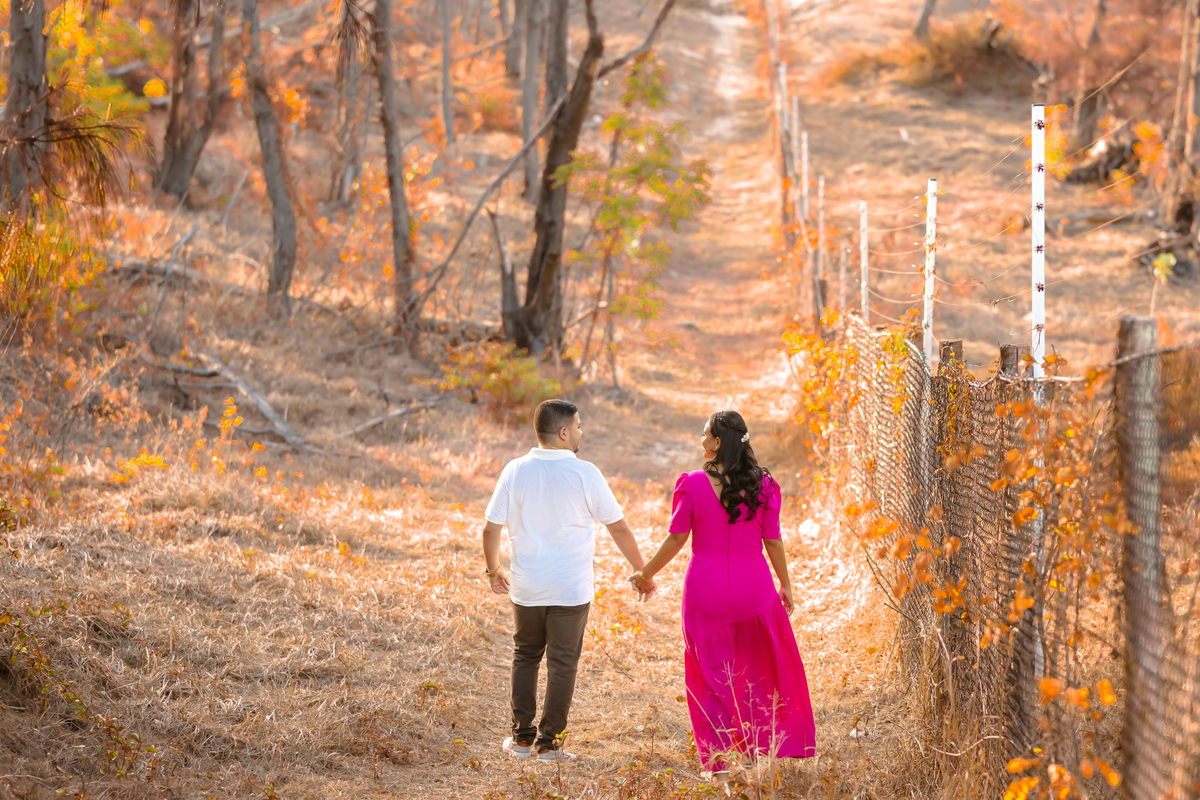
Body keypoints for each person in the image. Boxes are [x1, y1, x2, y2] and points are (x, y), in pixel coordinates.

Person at [630, 410, 816, 776]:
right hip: (755, 590)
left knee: (708, 673)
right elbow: (773, 541)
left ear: (717, 442)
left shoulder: (693, 484)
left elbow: (677, 538)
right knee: (755, 669)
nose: (700, 441)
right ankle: (751, 752)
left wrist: (645, 574)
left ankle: (717, 762)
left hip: (705, 591)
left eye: (704, 435)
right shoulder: (764, 485)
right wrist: (786, 584)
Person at [481, 398, 650, 763]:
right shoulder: (586, 473)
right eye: (578, 426)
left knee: (525, 656)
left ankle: (522, 740)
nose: (580, 433)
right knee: (562, 664)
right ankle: (549, 745)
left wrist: (493, 570)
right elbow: (617, 526)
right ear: (563, 432)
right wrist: (642, 570)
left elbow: (490, 529)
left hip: (527, 588)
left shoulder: (514, 469)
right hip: (570, 590)